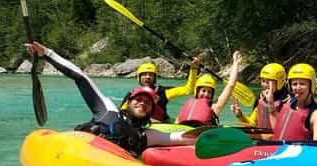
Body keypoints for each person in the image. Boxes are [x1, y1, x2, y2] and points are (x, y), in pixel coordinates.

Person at [24, 41, 194, 157]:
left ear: (151, 111)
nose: (143, 102)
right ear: (129, 101)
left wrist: (213, 140)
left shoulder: (147, 135)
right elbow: (81, 78)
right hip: (81, 156)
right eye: (138, 99)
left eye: (148, 102)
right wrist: (46, 53)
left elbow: (179, 138)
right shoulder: (108, 110)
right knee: (94, 129)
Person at [175, 51, 243, 127]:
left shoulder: (215, 107)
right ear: (197, 91)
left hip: (201, 134)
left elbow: (231, 85)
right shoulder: (189, 106)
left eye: (209, 92)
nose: (206, 94)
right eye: (203, 90)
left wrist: (236, 62)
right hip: (185, 133)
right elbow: (176, 123)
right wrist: (194, 67)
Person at [133, 57, 200, 122]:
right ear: (139, 77)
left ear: (155, 78)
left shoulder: (163, 92)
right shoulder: (132, 94)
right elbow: (124, 113)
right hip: (143, 124)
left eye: (151, 75)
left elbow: (188, 89)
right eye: (144, 74)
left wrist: (194, 69)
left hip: (161, 125)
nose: (147, 77)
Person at [271, 63, 317, 141]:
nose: (298, 88)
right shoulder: (287, 106)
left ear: (311, 86)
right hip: (279, 150)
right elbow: (276, 130)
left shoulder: (316, 114)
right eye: (294, 84)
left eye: (302, 84)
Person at [231, 62, 290, 129]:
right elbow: (252, 124)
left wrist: (270, 104)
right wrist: (240, 115)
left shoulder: (288, 102)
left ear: (279, 82)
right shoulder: (261, 98)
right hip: (262, 137)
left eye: (268, 82)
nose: (264, 85)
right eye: (263, 81)